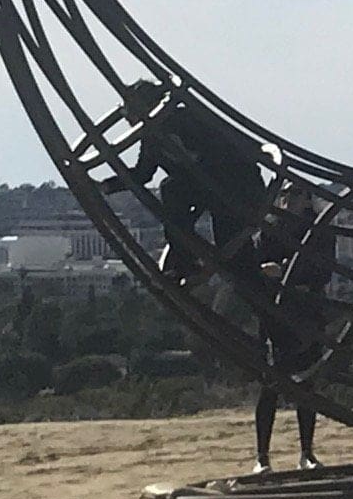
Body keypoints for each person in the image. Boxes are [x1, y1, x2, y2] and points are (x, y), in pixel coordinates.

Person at [103, 80, 268, 286]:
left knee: (237, 258)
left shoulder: (186, 118)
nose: (127, 116)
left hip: (235, 187)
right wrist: (107, 186)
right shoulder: (152, 135)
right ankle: (183, 261)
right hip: (211, 190)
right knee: (172, 191)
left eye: (129, 109)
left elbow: (225, 152)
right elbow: (143, 173)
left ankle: (267, 302)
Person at [252, 181, 337, 474]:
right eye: (286, 194)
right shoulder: (269, 227)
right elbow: (254, 265)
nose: (290, 199)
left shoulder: (320, 230)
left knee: (306, 383)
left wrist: (285, 270)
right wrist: (268, 272)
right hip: (275, 312)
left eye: (297, 194)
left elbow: (323, 269)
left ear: (308, 199)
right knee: (270, 384)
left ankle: (307, 453)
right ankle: (262, 457)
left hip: (306, 311)